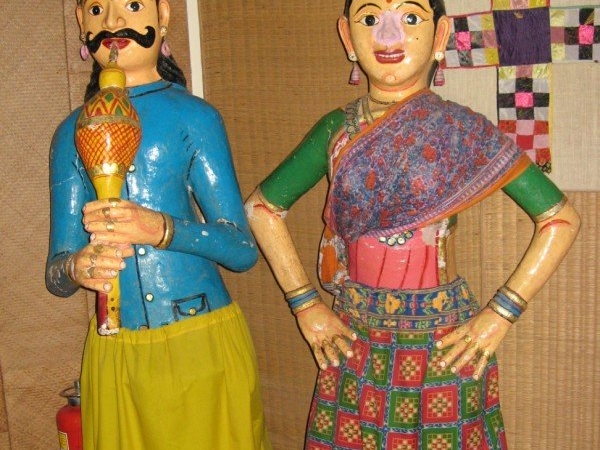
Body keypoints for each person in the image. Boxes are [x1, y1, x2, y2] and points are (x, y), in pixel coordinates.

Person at [245, 0, 580, 448]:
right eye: (370, 19)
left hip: (444, 341)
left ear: (440, 36)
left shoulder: (461, 130)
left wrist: (500, 315)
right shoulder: (336, 130)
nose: (388, 36)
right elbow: (262, 209)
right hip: (354, 333)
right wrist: (306, 305)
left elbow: (560, 219)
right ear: (347, 36)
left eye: (409, 18)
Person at [45, 1, 271, 449]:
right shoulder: (70, 133)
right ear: (81, 23)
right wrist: (77, 266)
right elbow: (56, 273)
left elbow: (242, 249)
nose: (113, 22)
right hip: (116, 351)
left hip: (199, 343)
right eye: (97, 8)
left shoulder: (195, 118)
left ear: (163, 16)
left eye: (132, 5)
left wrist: (162, 228)